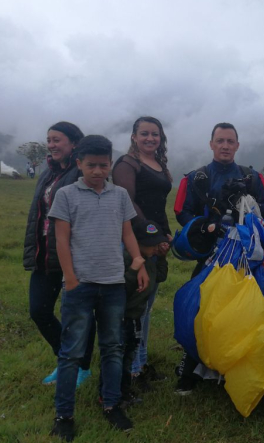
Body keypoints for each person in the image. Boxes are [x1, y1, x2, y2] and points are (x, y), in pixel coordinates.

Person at [48, 135, 149, 440]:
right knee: (72, 352)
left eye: (103, 165)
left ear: (109, 165)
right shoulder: (66, 195)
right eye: (90, 165)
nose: (97, 171)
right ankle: (64, 414)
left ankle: (111, 404)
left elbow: (127, 232)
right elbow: (61, 239)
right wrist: (71, 278)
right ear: (79, 164)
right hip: (80, 285)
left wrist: (138, 260)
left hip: (114, 284)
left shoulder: (119, 195)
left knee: (113, 347)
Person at [172, 122, 264, 395]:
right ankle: (191, 363)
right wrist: (208, 225)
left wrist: (245, 201)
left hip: (244, 256)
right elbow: (182, 210)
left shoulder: (252, 177)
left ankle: (238, 364)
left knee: (244, 311)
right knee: (199, 309)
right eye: (220, 141)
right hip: (211, 255)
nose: (225, 146)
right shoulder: (197, 178)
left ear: (238, 145)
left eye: (230, 141)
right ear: (211, 144)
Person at [22, 121, 96, 387]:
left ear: (73, 144)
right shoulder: (48, 173)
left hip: (73, 255)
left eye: (57, 140)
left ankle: (82, 367)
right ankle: (66, 358)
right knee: (39, 310)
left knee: (79, 315)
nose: (51, 145)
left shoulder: (82, 171)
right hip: (44, 254)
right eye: (49, 140)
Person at [112, 116, 172, 390]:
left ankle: (141, 362)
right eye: (144, 133)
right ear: (134, 136)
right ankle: (130, 371)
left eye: (155, 134)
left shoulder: (159, 165)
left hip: (156, 243)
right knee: (135, 309)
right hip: (135, 243)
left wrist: (166, 234)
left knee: (147, 308)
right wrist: (153, 236)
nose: (150, 138)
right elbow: (129, 203)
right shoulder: (127, 164)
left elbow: (159, 206)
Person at [112, 220, 169, 409]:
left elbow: (160, 276)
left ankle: (126, 389)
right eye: (151, 243)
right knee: (120, 354)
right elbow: (121, 291)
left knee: (130, 351)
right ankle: (117, 392)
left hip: (136, 316)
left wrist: (161, 257)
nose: (155, 246)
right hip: (124, 318)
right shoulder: (128, 260)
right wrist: (134, 270)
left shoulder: (149, 261)